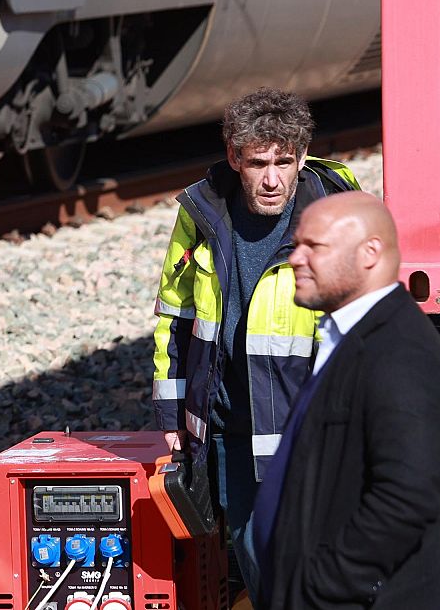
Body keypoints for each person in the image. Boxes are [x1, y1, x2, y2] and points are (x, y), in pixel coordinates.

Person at [150, 88, 357, 592]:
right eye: (258, 162)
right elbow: (175, 320)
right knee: (253, 555)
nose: (271, 178)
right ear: (234, 157)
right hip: (231, 425)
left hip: (307, 426)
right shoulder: (201, 213)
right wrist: (172, 418)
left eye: (284, 162)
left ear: (302, 158)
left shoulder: (337, 213)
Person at [250, 192, 440, 609]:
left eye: (315, 247)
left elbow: (406, 496)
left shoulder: (399, 351)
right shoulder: (346, 337)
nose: (294, 259)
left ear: (370, 253)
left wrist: (325, 586)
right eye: (297, 244)